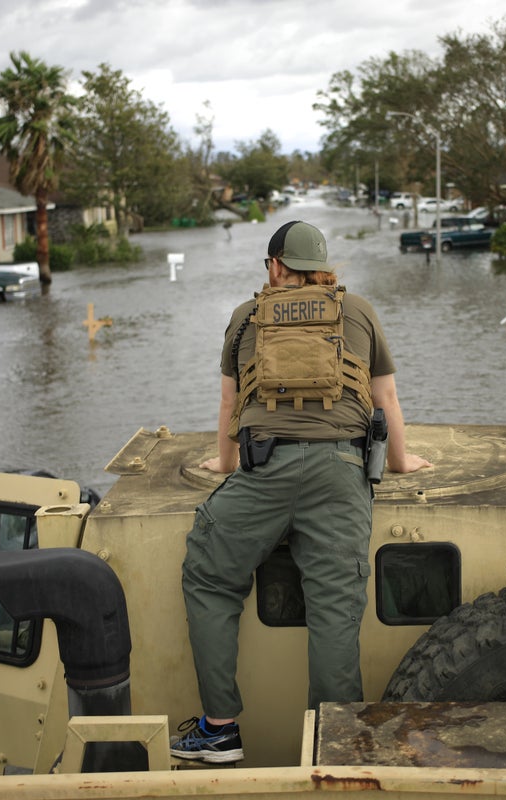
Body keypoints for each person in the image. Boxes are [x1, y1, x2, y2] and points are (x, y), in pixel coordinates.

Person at [171, 220, 432, 764]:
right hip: (342, 469)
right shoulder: (356, 310)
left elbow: (229, 407)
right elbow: (386, 400)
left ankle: (219, 730)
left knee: (208, 574)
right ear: (322, 267)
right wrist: (403, 463)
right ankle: (335, 744)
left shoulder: (247, 318)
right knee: (336, 610)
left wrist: (223, 463)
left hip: (264, 470)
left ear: (274, 266)